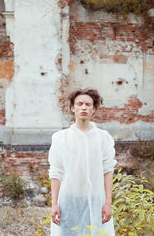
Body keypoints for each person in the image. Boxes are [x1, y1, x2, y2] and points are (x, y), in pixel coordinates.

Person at [48, 88, 117, 236]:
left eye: (88, 104)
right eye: (79, 104)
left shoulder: (103, 138)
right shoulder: (61, 138)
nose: (84, 107)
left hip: (96, 200)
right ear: (73, 108)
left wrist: (108, 203)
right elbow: (56, 172)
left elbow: (108, 170)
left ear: (94, 109)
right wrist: (54, 204)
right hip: (69, 200)